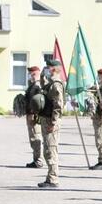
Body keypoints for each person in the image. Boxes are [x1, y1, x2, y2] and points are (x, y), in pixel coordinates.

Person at [37, 60, 65, 188]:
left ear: (54, 69)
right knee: (48, 149)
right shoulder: (51, 83)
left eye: (49, 67)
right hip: (47, 119)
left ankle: (53, 179)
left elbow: (58, 105)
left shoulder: (56, 84)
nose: (47, 69)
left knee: (51, 150)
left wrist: (53, 122)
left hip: (51, 121)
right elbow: (44, 87)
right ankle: (50, 177)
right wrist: (42, 76)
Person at [24, 66, 44, 169]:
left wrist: (34, 114)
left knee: (36, 137)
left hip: (34, 116)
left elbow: (39, 102)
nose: (29, 75)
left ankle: (39, 160)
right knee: (33, 138)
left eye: (31, 73)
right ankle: (36, 159)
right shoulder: (32, 85)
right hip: (30, 115)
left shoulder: (37, 86)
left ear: (34, 73)